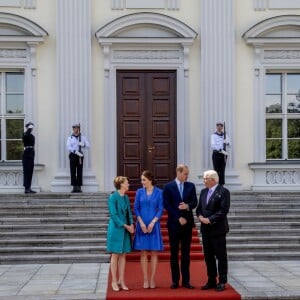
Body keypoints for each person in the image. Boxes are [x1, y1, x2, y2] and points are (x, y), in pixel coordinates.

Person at [162, 164, 198, 289]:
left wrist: (187, 206)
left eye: (187, 174)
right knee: (174, 253)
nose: (187, 176)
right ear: (178, 172)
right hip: (174, 224)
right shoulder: (168, 187)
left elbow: (195, 202)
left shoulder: (191, 186)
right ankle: (175, 281)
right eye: (185, 173)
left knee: (186, 253)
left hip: (187, 224)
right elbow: (167, 204)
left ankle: (186, 281)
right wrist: (179, 217)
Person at [196, 169, 230, 292]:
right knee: (208, 256)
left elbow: (223, 210)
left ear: (214, 180)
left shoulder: (224, 192)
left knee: (221, 256)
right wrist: (199, 216)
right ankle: (211, 280)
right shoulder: (204, 192)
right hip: (206, 230)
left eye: (206, 178)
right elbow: (199, 208)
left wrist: (209, 219)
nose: (204, 180)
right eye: (204, 178)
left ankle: (222, 281)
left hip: (218, 229)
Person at [132, 170, 164, 289]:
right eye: (141, 180)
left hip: (153, 226)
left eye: (144, 180)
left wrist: (152, 223)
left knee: (154, 252)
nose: (142, 182)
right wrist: (141, 223)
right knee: (143, 252)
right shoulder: (139, 192)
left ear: (150, 180)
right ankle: (145, 279)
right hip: (142, 225)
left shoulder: (159, 192)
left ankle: (152, 279)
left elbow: (161, 209)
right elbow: (136, 208)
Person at [106, 176, 134, 292]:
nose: (128, 184)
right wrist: (126, 226)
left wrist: (131, 224)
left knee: (123, 255)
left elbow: (129, 213)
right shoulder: (113, 197)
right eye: (127, 182)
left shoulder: (126, 197)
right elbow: (113, 215)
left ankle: (121, 281)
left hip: (126, 229)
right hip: (116, 229)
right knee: (115, 255)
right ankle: (113, 281)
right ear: (121, 184)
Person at [66, 123, 90, 193]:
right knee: (73, 171)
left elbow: (88, 145)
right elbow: (68, 147)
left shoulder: (83, 137)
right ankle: (74, 186)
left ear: (79, 129)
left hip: (80, 156)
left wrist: (83, 144)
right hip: (73, 155)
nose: (76, 130)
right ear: (73, 129)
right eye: (75, 128)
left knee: (79, 171)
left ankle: (79, 186)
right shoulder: (70, 138)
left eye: (77, 128)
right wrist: (74, 151)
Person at [22, 121, 36, 194]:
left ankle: (29, 187)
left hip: (31, 153)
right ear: (27, 128)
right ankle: (26, 188)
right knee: (26, 171)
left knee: (30, 171)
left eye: (31, 128)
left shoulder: (32, 136)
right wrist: (28, 130)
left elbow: (33, 144)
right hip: (26, 153)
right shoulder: (25, 134)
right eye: (30, 128)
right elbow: (25, 138)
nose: (31, 129)